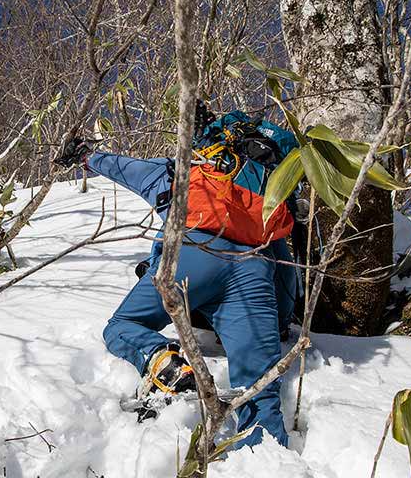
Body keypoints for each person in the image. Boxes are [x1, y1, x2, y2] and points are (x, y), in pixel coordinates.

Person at [55, 104, 301, 449]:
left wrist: (85, 156)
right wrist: (280, 323)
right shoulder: (269, 198)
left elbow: (122, 168)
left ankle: (163, 360)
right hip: (252, 269)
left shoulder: (181, 171)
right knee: (260, 390)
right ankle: (269, 461)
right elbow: (286, 281)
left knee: (122, 326)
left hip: (192, 257)